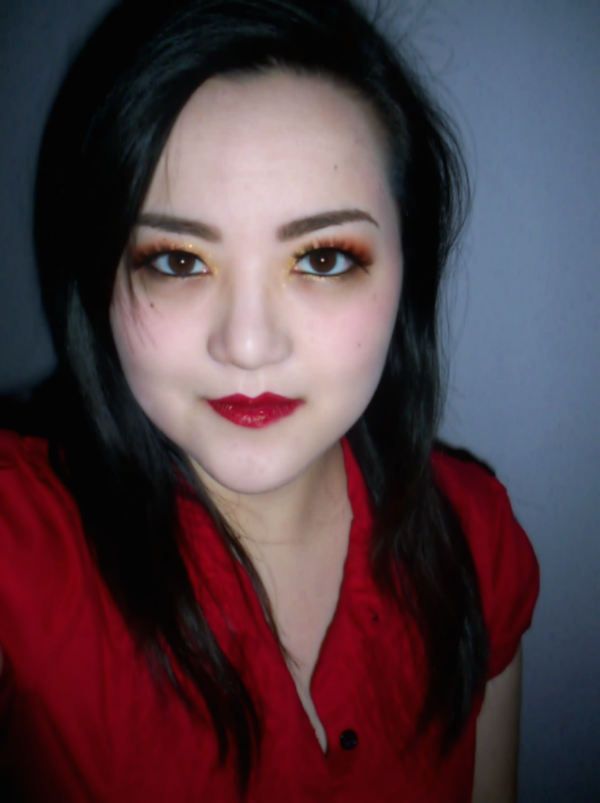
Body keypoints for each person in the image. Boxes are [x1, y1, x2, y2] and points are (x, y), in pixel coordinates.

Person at [0, 0, 539, 800]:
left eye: (322, 258)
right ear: (102, 278)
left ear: (407, 274)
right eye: (178, 261)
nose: (248, 346)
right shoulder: (21, 556)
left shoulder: (475, 537)